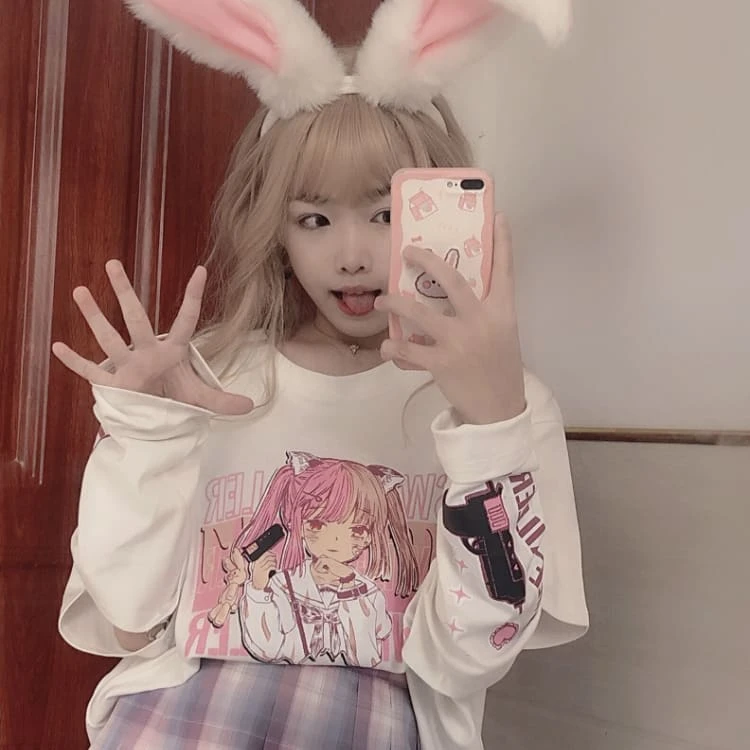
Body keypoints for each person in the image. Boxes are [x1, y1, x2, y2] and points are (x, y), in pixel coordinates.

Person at [54, 1, 588, 748]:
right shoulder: (204, 379)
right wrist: (146, 437)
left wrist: (493, 430)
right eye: (315, 218)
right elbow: (129, 622)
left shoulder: (506, 406)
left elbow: (471, 658)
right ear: (274, 225)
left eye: (386, 214)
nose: (352, 255)